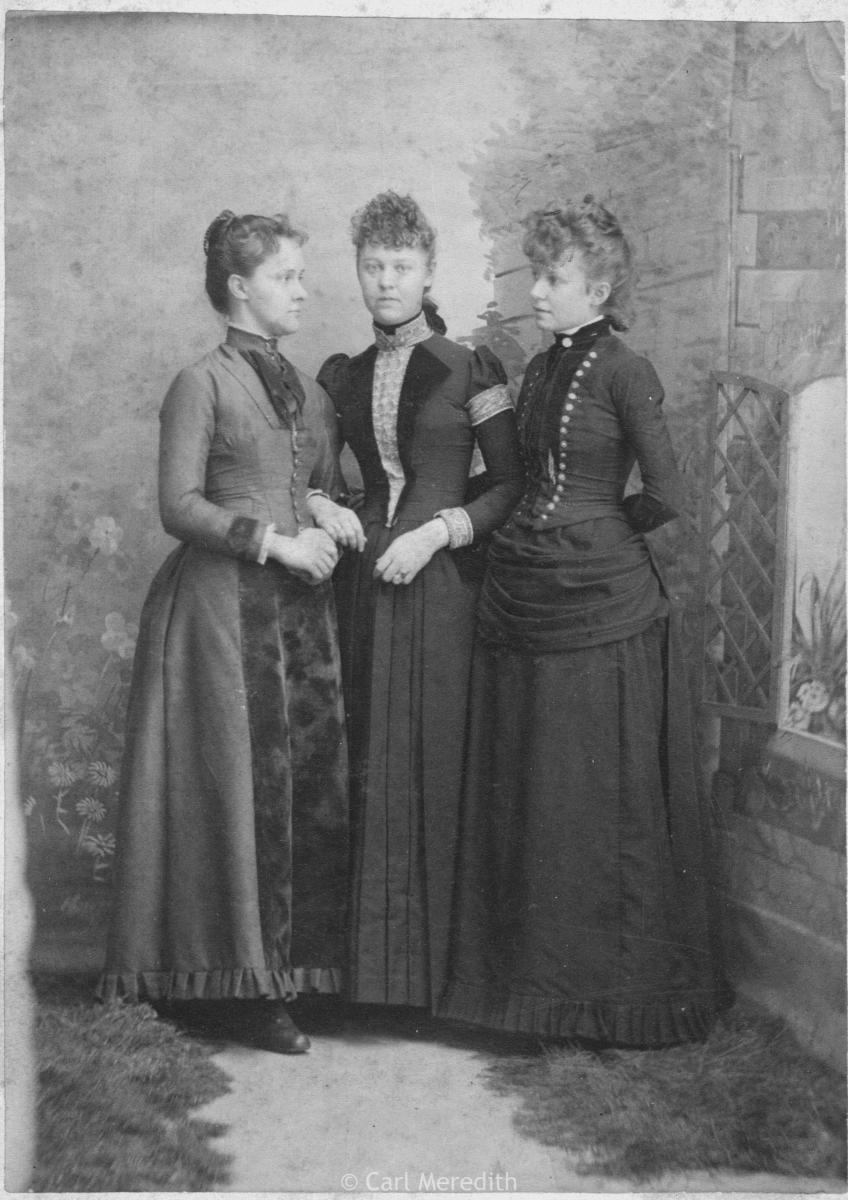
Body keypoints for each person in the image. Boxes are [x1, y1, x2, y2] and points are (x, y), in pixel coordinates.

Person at [438, 197, 728, 1046]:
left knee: (594, 799)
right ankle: (529, 993)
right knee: (534, 790)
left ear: (597, 289)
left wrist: (599, 533)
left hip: (603, 611)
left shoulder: (626, 371)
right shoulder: (538, 370)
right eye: (536, 275)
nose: (537, 291)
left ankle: (606, 999)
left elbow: (667, 492)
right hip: (526, 596)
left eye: (553, 278)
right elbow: (522, 479)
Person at [99, 210, 363, 1054]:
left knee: (302, 785)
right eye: (287, 277)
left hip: (299, 615)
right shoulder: (199, 383)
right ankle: (236, 985)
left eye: (301, 276)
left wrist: (324, 506)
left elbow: (318, 479)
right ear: (240, 287)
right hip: (218, 611)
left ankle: (294, 974)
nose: (302, 292)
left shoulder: (309, 389)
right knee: (234, 791)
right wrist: (278, 541)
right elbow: (178, 505)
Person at [317, 191, 524, 1011]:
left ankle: (437, 987)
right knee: (366, 763)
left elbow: (508, 484)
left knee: (436, 766)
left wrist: (438, 533)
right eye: (372, 265)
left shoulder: (470, 368)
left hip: (440, 590)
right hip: (363, 588)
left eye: (401, 266)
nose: (385, 281)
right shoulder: (343, 374)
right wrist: (326, 506)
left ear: (428, 272)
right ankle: (369, 983)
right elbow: (316, 477)